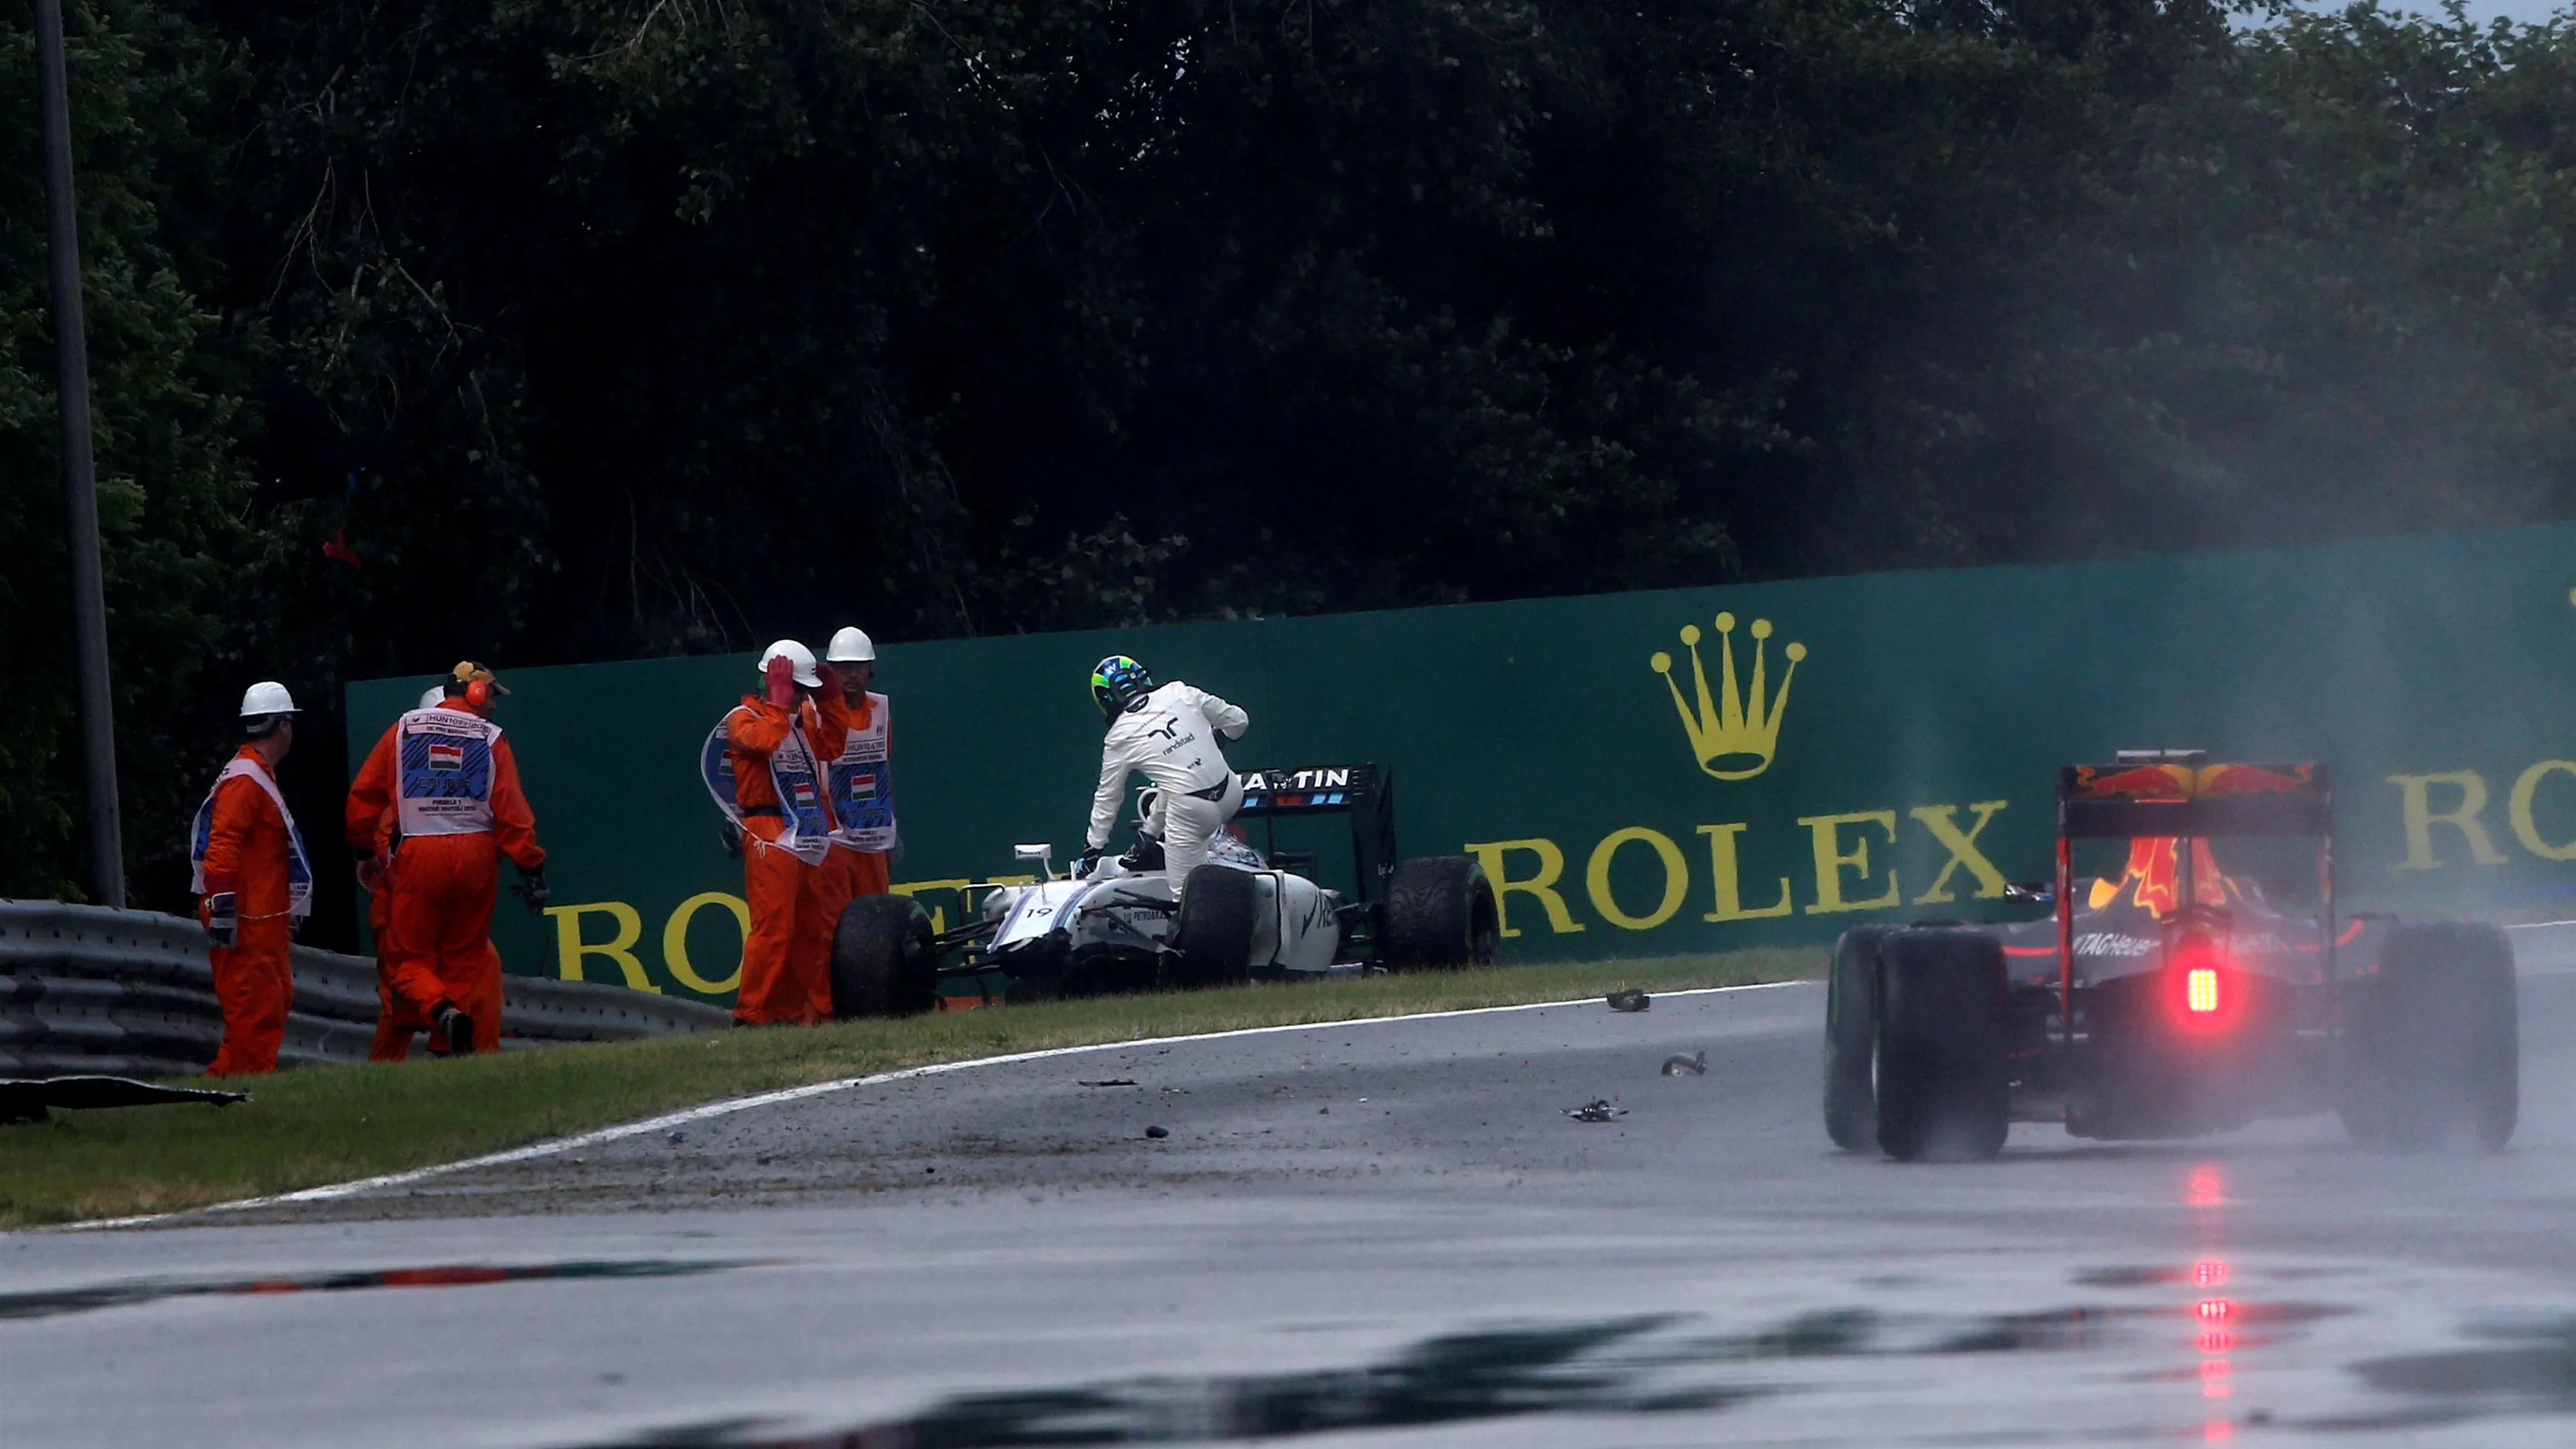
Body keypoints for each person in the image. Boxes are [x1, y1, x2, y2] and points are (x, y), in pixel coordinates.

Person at [346, 661, 548, 1055]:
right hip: (475, 853)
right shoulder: (492, 738)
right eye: (490, 696)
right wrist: (531, 866)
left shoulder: (403, 728)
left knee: (407, 960)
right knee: (464, 958)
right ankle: (447, 1045)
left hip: (420, 851)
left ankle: (440, 1011)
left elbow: (364, 796)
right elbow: (511, 810)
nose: (492, 706)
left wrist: (361, 848)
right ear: (473, 693)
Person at [716, 640, 850, 1025]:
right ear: (775, 683)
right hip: (768, 828)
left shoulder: (800, 717)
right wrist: (778, 702)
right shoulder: (742, 717)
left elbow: (832, 746)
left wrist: (829, 701)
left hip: (805, 828)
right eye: (799, 689)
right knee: (773, 927)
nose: (802, 697)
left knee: (809, 929)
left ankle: (790, 1013)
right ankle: (751, 1014)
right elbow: (763, 742)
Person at [188, 682, 314, 1075]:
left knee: (266, 1008)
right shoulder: (247, 780)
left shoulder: (255, 774)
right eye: (290, 722)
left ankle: (234, 1087)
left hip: (261, 921)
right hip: (247, 921)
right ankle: (241, 1089)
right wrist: (224, 906)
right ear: (282, 726)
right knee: (252, 1012)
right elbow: (222, 844)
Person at [1081, 655, 1249, 882]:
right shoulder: (1179, 690)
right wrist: (1217, 738)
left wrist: (1093, 849)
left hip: (1192, 814)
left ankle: (1154, 844)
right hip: (1232, 791)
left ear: (1105, 698)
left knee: (1185, 898)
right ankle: (1147, 836)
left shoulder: (1117, 738)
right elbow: (1239, 721)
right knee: (1174, 781)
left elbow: (1108, 798)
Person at [809, 626, 898, 1021]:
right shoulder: (814, 711)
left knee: (878, 922)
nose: (851, 675)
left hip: (875, 833)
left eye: (858, 667)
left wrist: (893, 826)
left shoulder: (881, 707)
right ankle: (829, 1010)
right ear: (829, 671)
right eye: (843, 668)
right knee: (831, 926)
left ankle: (880, 1002)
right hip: (834, 835)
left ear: (870, 670)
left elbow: (883, 766)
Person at [358, 685, 445, 1062]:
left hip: (420, 908)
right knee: (399, 1008)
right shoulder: (409, 781)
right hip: (401, 910)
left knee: (458, 984)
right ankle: (382, 1078)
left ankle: (453, 1059)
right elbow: (384, 844)